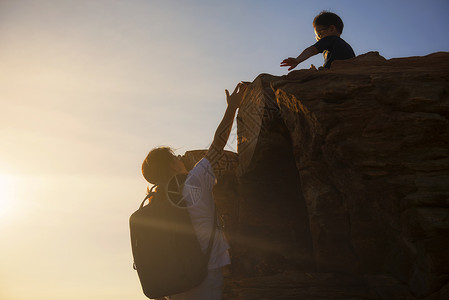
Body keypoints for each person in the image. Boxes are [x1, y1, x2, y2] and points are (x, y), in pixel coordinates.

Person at [141, 82, 247, 300]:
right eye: (175, 157)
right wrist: (232, 107)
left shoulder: (155, 201)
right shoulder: (193, 182)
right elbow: (218, 145)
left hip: (173, 284)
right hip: (204, 277)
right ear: (171, 166)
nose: (181, 159)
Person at [280, 11, 355, 70]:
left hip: (334, 74)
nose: (318, 39)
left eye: (319, 34)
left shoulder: (330, 39)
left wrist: (297, 60)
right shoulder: (346, 46)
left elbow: (312, 50)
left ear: (331, 29)